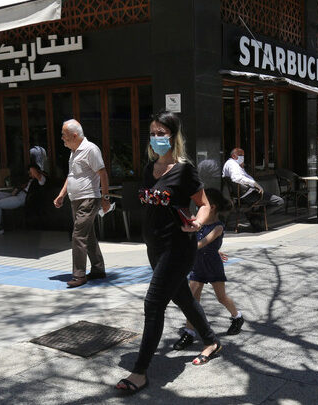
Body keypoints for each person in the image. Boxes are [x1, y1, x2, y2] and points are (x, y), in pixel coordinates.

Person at [115, 111, 220, 395]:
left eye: (161, 133)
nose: (156, 138)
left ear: (173, 137)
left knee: (153, 303)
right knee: (182, 296)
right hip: (155, 247)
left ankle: (139, 372)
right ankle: (211, 341)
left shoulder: (184, 170)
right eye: (152, 133)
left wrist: (197, 223)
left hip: (178, 246)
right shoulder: (150, 169)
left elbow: (204, 204)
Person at [173, 188, 244, 351]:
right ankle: (189, 332)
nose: (198, 209)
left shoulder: (218, 227)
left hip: (212, 266)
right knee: (192, 300)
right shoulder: (198, 223)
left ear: (211, 207)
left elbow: (203, 243)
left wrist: (185, 248)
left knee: (221, 297)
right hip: (197, 265)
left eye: (201, 205)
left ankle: (237, 317)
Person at [53, 119, 112, 288]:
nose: (62, 138)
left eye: (64, 135)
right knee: (88, 235)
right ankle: (98, 269)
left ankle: (79, 275)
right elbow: (71, 176)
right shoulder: (73, 151)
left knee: (78, 235)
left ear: (74, 135)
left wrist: (105, 198)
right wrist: (61, 195)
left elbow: (103, 174)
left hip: (89, 199)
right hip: (76, 200)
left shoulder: (91, 149)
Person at [0, 164, 47, 235]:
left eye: (30, 172)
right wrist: (16, 190)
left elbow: (35, 173)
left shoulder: (42, 179)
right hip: (18, 195)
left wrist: (34, 170)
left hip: (23, 198)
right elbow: (19, 188)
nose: (30, 174)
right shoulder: (29, 180)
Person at [222, 148, 284, 231]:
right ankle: (258, 216)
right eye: (240, 155)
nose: (242, 157)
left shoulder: (234, 164)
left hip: (244, 194)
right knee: (279, 201)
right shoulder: (232, 164)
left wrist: (242, 167)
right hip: (248, 194)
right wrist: (255, 184)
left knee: (252, 207)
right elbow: (236, 178)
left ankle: (255, 218)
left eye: (243, 155)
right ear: (233, 156)